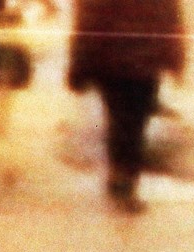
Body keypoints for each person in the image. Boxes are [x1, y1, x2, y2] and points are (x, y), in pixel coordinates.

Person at [67, 0, 186, 213]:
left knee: (120, 119)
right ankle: (124, 178)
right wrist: (175, 58)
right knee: (134, 123)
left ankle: (121, 176)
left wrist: (79, 64)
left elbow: (87, 21)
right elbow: (171, 18)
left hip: (111, 61)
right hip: (144, 62)